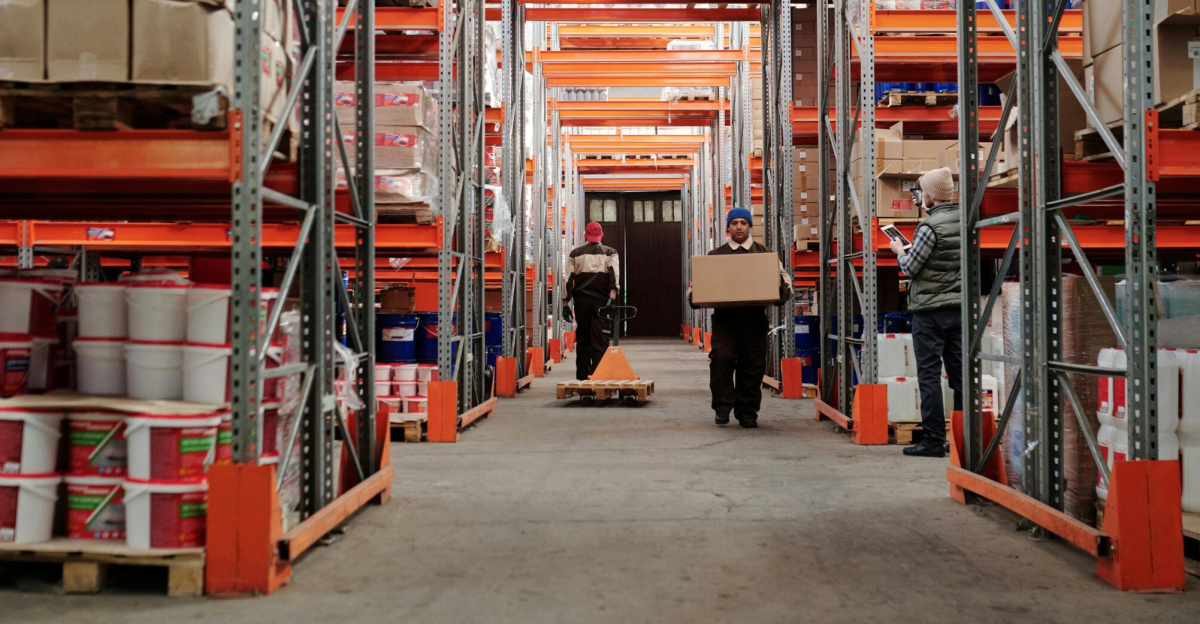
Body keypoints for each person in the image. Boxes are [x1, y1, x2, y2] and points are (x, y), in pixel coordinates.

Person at [693, 207, 792, 428]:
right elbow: (697, 286)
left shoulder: (765, 255)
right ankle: (722, 408)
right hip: (725, 320)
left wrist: (781, 293)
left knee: (752, 365)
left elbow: (785, 282)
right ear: (728, 227)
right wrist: (695, 296)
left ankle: (747, 412)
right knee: (721, 359)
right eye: (734, 223)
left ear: (749, 226)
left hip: (754, 319)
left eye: (743, 223)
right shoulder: (715, 256)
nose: (739, 227)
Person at [888, 167, 963, 458]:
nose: (918, 197)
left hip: (930, 313)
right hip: (958, 310)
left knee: (929, 376)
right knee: (961, 376)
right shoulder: (964, 219)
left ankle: (933, 440)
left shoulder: (929, 227)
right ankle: (963, 439)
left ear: (931, 195)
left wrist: (899, 250)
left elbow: (910, 268)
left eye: (920, 192)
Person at [562, 222, 620, 381]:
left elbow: (567, 280)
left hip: (582, 304)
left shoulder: (575, 254)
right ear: (602, 236)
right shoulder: (610, 253)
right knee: (600, 342)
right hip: (602, 304)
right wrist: (612, 299)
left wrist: (565, 304)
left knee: (583, 341)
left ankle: (583, 380)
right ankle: (599, 379)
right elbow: (614, 277)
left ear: (585, 236)